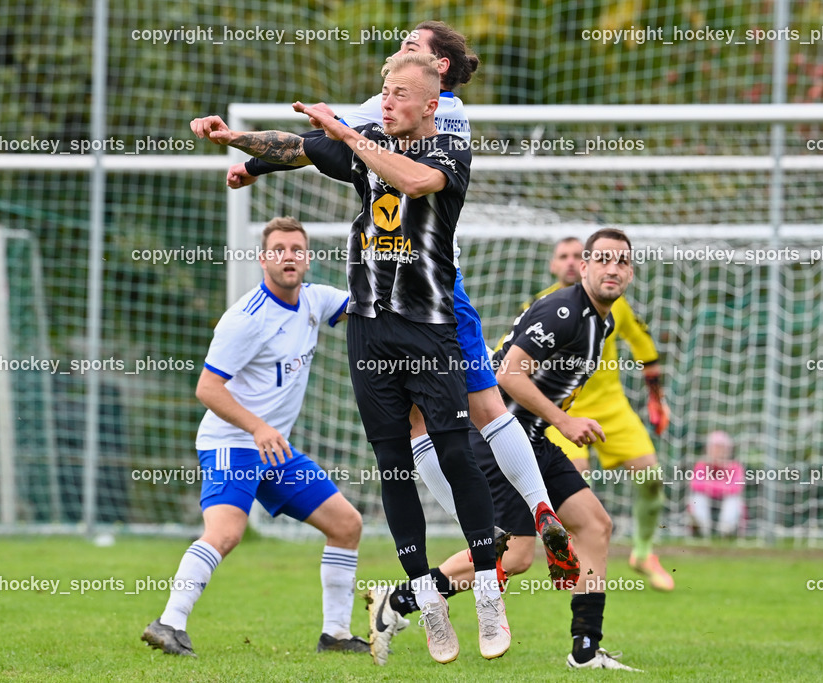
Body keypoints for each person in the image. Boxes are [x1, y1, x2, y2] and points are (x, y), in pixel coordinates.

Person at [229, 20, 577, 607]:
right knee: (434, 425)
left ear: (438, 73)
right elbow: (317, 147)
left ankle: (516, 519)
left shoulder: (446, 119)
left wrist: (337, 134)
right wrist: (253, 160)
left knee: (469, 416)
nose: (399, 53)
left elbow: (380, 161)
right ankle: (528, 513)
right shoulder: (388, 101)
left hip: (433, 296)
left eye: (413, 46)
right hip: (384, 308)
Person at [190, 52, 509, 663]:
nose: (386, 101)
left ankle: (489, 586)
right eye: (383, 91)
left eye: (399, 94)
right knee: (393, 465)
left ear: (430, 104)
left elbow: (411, 181)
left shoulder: (448, 153)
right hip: (370, 331)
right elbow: (298, 146)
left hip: (431, 328)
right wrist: (239, 144)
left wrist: (342, 131)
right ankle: (426, 596)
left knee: (454, 450)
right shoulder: (364, 143)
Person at [368, 228, 643, 671]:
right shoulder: (565, 310)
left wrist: (557, 422)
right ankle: (399, 601)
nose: (614, 268)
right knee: (513, 555)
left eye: (623, 261)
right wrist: (566, 420)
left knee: (595, 525)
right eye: (604, 259)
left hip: (535, 438)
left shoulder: (601, 320)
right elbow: (508, 374)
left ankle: (586, 650)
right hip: (500, 438)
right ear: (585, 266)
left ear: (630, 271)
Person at [141, 217, 367, 657]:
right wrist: (258, 427)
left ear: (307, 258)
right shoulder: (245, 320)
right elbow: (207, 388)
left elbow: (367, 308)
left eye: (297, 249)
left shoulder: (315, 301)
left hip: (273, 448)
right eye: (279, 249)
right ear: (263, 258)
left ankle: (336, 635)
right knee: (225, 534)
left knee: (346, 525)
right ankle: (169, 623)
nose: (289, 256)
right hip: (231, 442)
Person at [524, 237, 676, 591]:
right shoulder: (542, 305)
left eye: (578, 255)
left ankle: (643, 552)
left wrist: (657, 401)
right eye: (563, 256)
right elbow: (512, 359)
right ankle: (572, 551)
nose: (570, 262)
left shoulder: (615, 304)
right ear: (553, 265)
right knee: (575, 478)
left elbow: (646, 351)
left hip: (612, 407)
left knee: (651, 478)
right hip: (563, 409)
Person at [687, 431, 746, 538]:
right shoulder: (702, 465)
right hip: (707, 498)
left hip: (726, 499)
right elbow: (696, 484)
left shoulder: (735, 466)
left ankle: (728, 530)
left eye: (722, 448)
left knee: (734, 500)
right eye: (715, 448)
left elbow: (736, 487)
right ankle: (701, 528)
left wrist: (711, 485)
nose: (718, 451)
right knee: (698, 498)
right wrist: (722, 486)